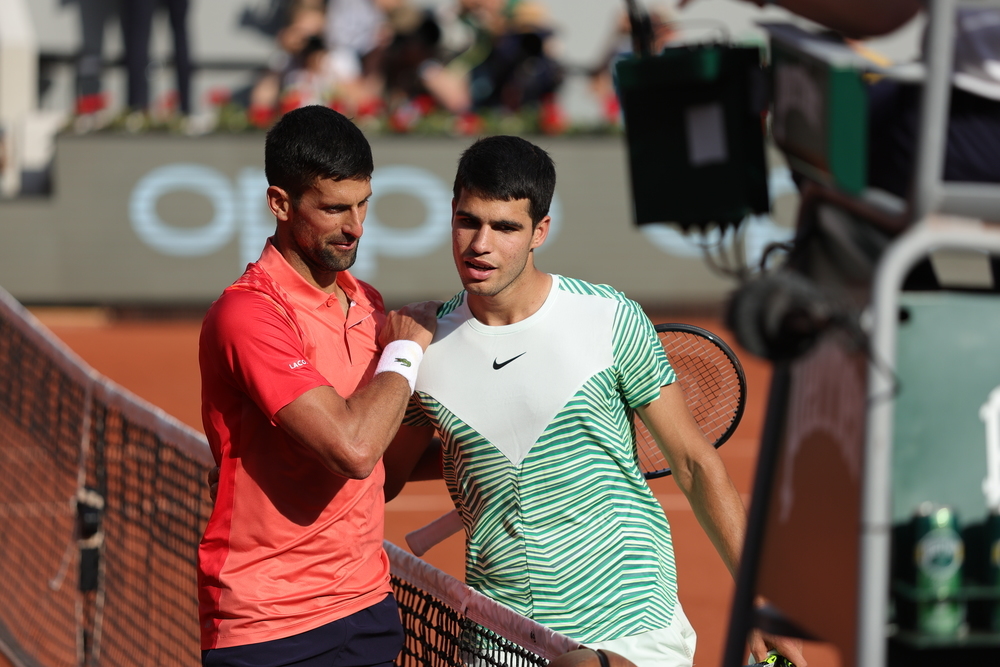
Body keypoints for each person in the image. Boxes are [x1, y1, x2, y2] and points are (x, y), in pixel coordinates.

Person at [383, 136, 806, 667]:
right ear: (451, 214)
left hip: (629, 624)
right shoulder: (425, 345)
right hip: (498, 634)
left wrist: (758, 601)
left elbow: (695, 464)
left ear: (540, 231)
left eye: (506, 227)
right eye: (469, 221)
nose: (480, 245)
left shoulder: (608, 318)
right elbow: (386, 475)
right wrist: (469, 453)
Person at [197, 104, 437, 667]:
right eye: (334, 208)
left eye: (363, 205)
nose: (355, 226)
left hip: (368, 606)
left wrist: (475, 455)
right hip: (271, 624)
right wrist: (404, 352)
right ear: (279, 203)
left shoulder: (366, 301)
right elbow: (352, 449)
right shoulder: (251, 316)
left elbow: (381, 473)